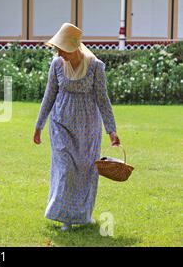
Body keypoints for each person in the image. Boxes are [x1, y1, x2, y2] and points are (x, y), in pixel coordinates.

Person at [33, 23, 120, 231]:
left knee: (86, 170)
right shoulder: (56, 64)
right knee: (65, 169)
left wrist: (111, 130)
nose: (59, 52)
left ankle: (83, 214)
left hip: (88, 127)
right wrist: (39, 125)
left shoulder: (95, 66)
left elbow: (102, 99)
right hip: (60, 124)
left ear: (74, 47)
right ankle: (64, 217)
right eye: (57, 48)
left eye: (62, 48)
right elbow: (49, 95)